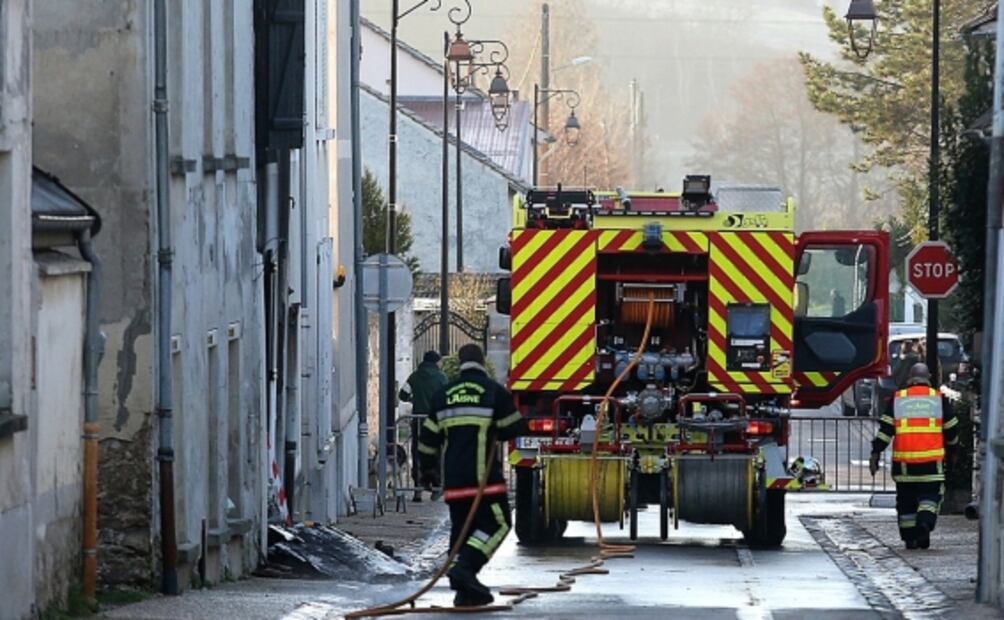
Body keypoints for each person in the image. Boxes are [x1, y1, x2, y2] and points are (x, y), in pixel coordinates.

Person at [418, 344, 526, 607]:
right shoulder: (493, 392)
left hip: (454, 483)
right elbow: (514, 427)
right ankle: (465, 568)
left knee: (461, 534)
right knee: (498, 525)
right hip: (484, 482)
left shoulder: (444, 395)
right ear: (482, 362)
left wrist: (429, 471)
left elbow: (427, 441)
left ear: (461, 363)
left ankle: (464, 589)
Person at [869, 363, 959, 550]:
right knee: (930, 497)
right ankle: (924, 525)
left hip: (904, 466)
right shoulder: (938, 399)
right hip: (932, 466)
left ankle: (910, 538)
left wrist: (876, 452)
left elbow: (885, 432)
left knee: (906, 502)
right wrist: (953, 451)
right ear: (929, 377)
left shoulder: (898, 399)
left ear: (910, 377)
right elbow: (951, 431)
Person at [399, 350, 449, 502]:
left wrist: (415, 399)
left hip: (418, 421)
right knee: (436, 453)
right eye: (440, 361)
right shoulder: (441, 377)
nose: (441, 364)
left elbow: (402, 395)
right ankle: (436, 486)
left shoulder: (414, 376)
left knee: (417, 453)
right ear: (436, 362)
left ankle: (418, 488)